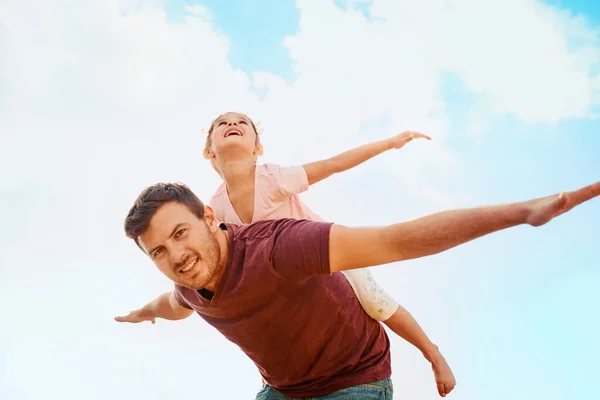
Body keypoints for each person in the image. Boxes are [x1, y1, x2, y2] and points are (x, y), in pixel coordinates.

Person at [115, 179, 599, 399]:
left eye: (180, 234)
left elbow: (395, 239)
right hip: (285, 391)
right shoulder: (187, 287)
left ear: (209, 218)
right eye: (158, 252)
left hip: (355, 381)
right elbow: (172, 304)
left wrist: (519, 213)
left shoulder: (280, 246)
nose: (176, 256)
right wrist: (143, 313)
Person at [201, 112, 455, 396]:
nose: (232, 124)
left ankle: (432, 353)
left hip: (327, 255)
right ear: (208, 151)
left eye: (241, 122)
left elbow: (334, 164)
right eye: (222, 123)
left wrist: (390, 143)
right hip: (282, 274)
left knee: (375, 301)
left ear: (257, 149)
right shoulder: (217, 205)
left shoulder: (273, 179)